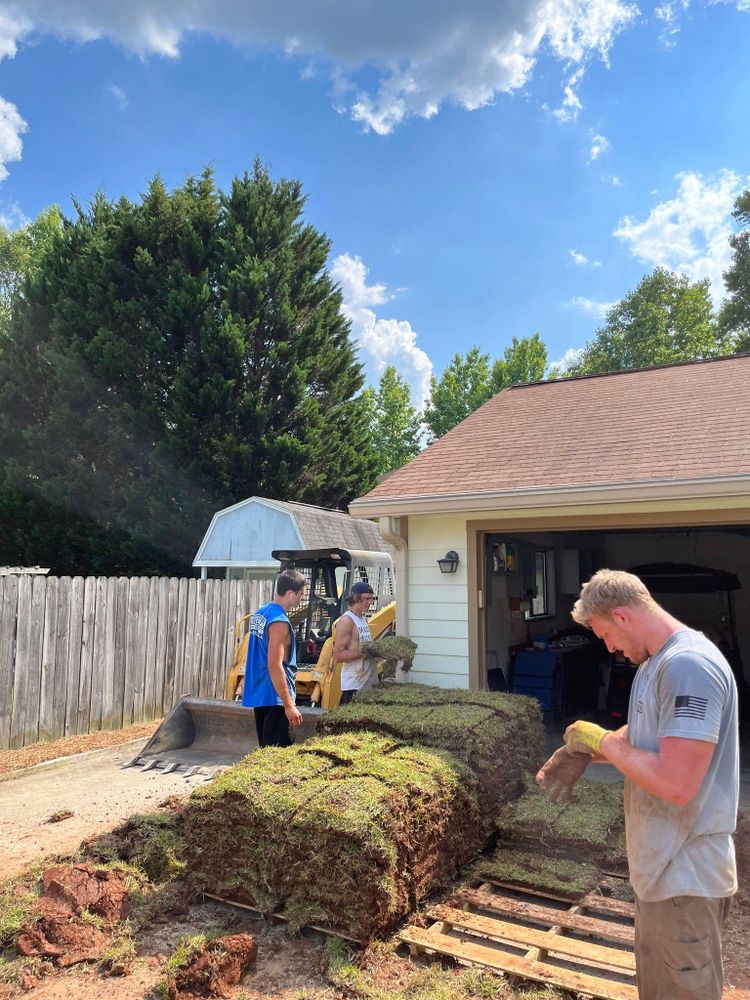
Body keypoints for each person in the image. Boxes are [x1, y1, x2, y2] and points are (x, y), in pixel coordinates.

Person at [536, 569, 739, 1000]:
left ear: (622, 616)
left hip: (687, 877)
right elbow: (644, 737)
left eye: (603, 633)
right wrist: (585, 751)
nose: (608, 646)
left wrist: (603, 739)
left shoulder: (689, 665)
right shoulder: (654, 664)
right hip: (660, 874)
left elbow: (678, 783)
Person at [241, 570, 306, 747]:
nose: (301, 600)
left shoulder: (260, 614)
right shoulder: (279, 621)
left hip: (261, 694)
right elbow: (274, 664)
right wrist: (288, 705)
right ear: (291, 594)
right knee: (277, 757)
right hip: (275, 698)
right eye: (301, 595)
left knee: (265, 751)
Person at [334, 581, 376, 704]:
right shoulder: (347, 620)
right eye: (366, 599)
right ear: (356, 598)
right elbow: (338, 656)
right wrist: (365, 652)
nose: (370, 602)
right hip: (353, 687)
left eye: (371, 599)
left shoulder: (363, 618)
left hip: (367, 684)